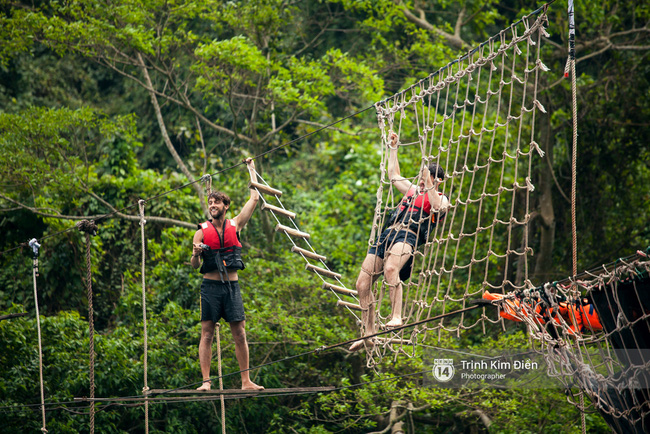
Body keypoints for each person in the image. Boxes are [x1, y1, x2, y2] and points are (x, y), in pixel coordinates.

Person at [350, 131, 450, 352]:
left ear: (437, 180)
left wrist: (430, 181)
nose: (422, 182)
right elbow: (394, 175)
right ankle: (368, 333)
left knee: (391, 269)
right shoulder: (413, 191)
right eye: (423, 180)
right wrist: (394, 148)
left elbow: (436, 205)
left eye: (427, 179)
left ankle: (397, 316)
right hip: (388, 234)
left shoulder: (441, 198)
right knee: (362, 284)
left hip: (408, 236)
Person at [191, 158, 264, 390]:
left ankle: (246, 381)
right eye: (210, 202)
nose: (212, 205)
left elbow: (254, 197)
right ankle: (206, 381)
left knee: (240, 333)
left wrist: (251, 169)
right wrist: (195, 254)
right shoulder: (201, 233)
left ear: (225, 206)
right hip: (210, 288)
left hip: (231, 288)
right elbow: (194, 265)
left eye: (216, 202)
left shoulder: (236, 224)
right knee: (207, 334)